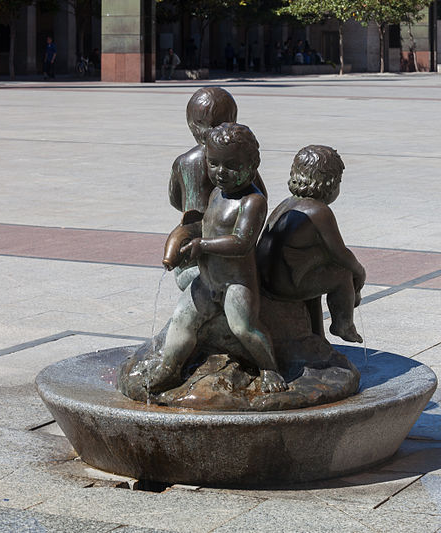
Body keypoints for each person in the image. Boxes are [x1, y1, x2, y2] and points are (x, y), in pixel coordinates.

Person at [147, 123, 287, 394]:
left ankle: (269, 367)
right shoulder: (215, 193)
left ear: (253, 164)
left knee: (244, 327)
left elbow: (241, 242)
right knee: (182, 320)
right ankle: (169, 366)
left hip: (236, 281)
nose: (220, 172)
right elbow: (205, 225)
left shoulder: (252, 202)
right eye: (214, 164)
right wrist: (185, 240)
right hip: (208, 279)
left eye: (231, 165)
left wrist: (204, 245)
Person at [256, 145, 366, 343]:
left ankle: (316, 335)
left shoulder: (288, 202)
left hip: (268, 278)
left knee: (315, 275)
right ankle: (343, 324)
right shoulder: (319, 211)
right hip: (282, 284)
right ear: (331, 183)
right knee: (341, 274)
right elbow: (340, 253)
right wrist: (359, 272)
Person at [167, 88, 267, 289]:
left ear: (191, 125)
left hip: (194, 255)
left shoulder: (184, 163)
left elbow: (176, 201)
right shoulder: (240, 160)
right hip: (222, 256)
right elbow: (262, 194)